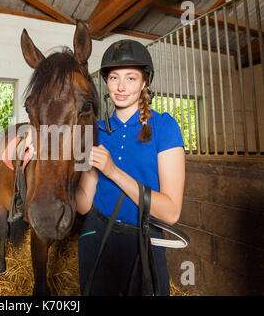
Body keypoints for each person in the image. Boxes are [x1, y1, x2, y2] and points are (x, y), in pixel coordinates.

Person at [75, 39, 185, 296]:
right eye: (114, 78)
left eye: (131, 78)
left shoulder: (164, 127)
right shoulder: (94, 131)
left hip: (144, 243)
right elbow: (82, 203)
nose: (121, 87)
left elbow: (170, 212)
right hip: (96, 238)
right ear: (106, 82)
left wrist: (112, 171)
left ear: (144, 82)